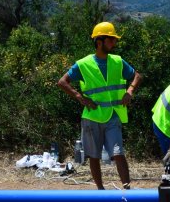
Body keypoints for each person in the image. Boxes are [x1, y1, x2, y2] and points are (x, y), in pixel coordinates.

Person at [57, 22, 142, 190]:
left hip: (113, 115)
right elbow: (62, 82)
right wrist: (80, 97)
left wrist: (130, 91)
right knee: (94, 156)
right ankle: (101, 192)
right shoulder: (83, 64)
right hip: (92, 117)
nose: (114, 43)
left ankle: (127, 191)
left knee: (118, 154)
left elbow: (137, 76)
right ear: (99, 41)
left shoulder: (118, 61)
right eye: (111, 39)